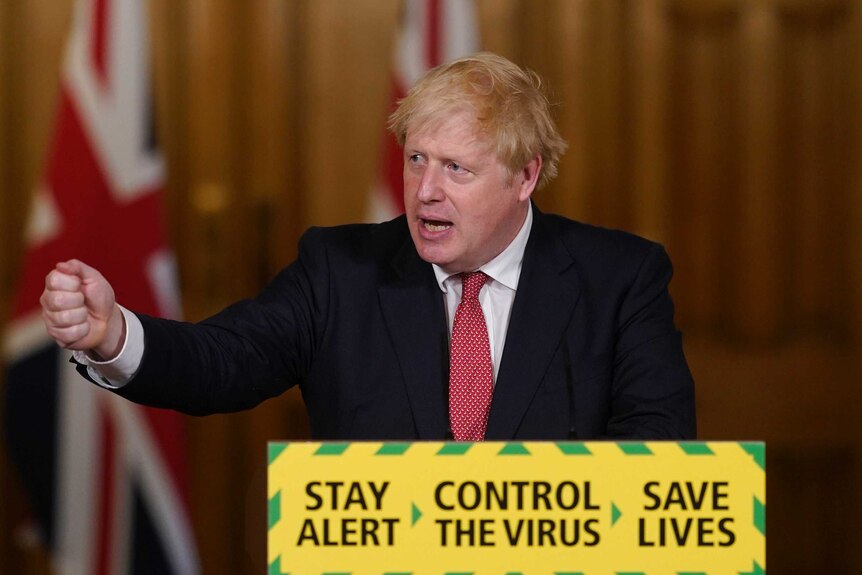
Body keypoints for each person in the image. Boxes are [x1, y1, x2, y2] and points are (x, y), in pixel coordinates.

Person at [40, 52, 695, 440]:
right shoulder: (339, 270)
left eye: (455, 169)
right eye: (416, 159)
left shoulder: (621, 279)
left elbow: (656, 459)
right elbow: (223, 360)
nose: (425, 191)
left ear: (525, 175)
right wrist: (112, 332)